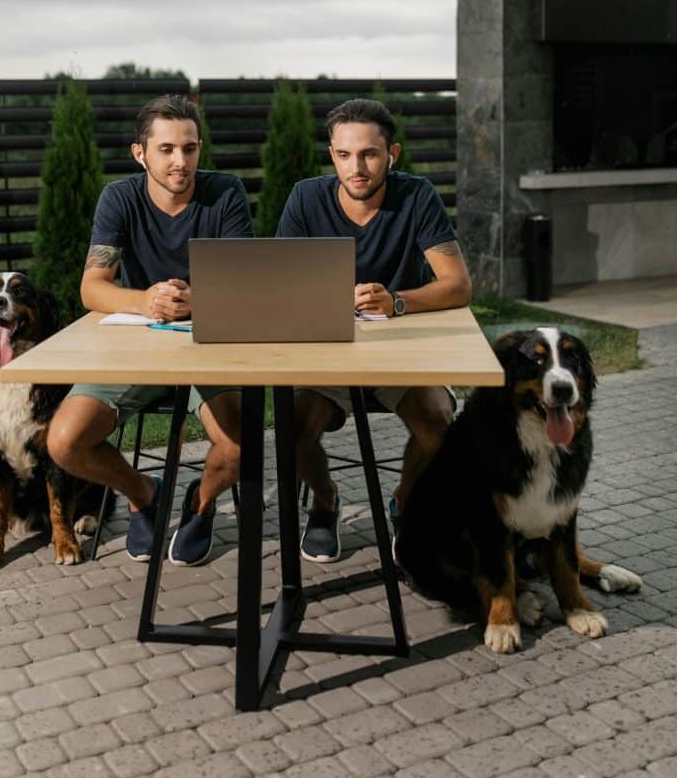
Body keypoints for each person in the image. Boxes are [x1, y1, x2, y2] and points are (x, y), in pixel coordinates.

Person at [47, 94, 254, 566]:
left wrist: (199, 299)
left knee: (240, 445)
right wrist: (145, 301)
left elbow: (245, 282)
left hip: (208, 344)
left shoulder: (225, 192)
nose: (180, 161)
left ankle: (199, 505)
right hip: (135, 344)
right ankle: (145, 494)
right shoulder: (119, 197)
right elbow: (91, 287)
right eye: (166, 149)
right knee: (64, 442)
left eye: (190, 148)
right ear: (140, 153)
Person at [276, 97, 472, 563]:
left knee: (438, 424)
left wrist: (397, 301)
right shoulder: (306, 197)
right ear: (332, 155)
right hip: (328, 351)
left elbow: (458, 285)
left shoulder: (417, 196)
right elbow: (279, 283)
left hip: (401, 351)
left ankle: (405, 502)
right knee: (291, 427)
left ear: (392, 154)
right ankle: (325, 500)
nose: (356, 168)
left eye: (369, 154)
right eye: (344, 155)